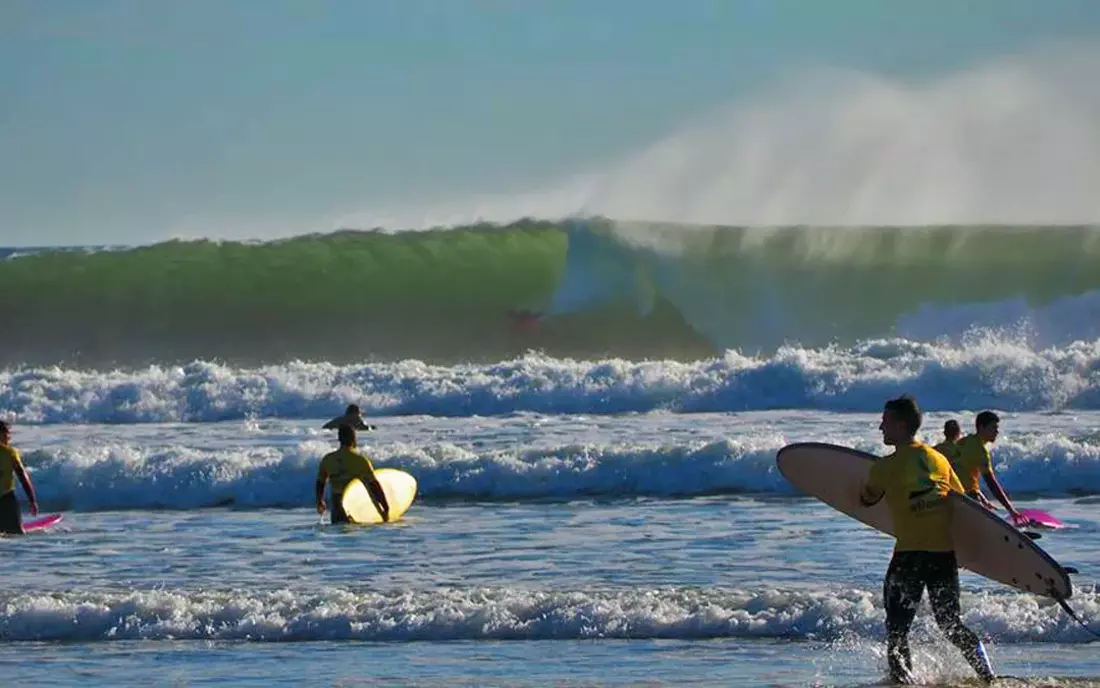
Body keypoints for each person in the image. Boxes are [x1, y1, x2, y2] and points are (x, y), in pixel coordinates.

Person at [859, 395, 996, 684]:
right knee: (951, 624)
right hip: (943, 556)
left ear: (899, 425)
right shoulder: (939, 459)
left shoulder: (885, 467)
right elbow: (961, 503)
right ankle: (988, 675)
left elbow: (866, 498)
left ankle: (903, 682)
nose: (880, 428)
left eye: (884, 422)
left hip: (910, 556)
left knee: (897, 630)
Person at [952, 411, 1023, 524]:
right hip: (965, 497)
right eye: (993, 428)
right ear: (981, 428)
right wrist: (1011, 510)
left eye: (997, 428)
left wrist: (982, 497)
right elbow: (991, 483)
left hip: (952, 495)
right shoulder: (980, 451)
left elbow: (963, 472)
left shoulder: (964, 441)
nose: (996, 431)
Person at [315, 424, 389, 524]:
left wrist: (320, 501)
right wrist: (385, 507)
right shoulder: (360, 461)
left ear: (339, 439)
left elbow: (320, 482)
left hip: (337, 507)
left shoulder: (328, 459)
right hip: (355, 505)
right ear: (354, 439)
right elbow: (374, 486)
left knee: (338, 532)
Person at [0, 420, 39, 535]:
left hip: (6, 499)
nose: (9, 437)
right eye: (7, 433)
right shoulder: (10, 452)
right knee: (16, 535)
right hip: (6, 501)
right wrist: (32, 500)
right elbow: (22, 475)